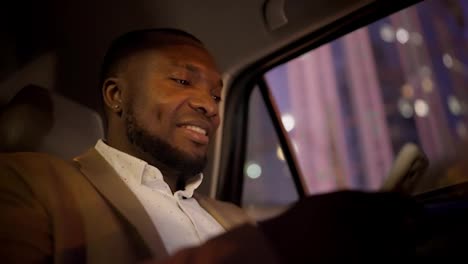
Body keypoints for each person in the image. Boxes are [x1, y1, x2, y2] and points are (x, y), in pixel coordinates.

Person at [0, 28, 421, 263]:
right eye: (182, 81)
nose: (208, 105)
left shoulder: (231, 215)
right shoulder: (25, 182)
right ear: (115, 96)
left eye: (217, 95)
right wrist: (273, 246)